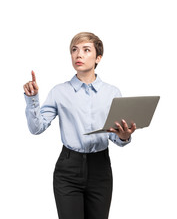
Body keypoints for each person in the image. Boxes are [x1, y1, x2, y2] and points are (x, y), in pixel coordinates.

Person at [23, 32, 136, 219]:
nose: (78, 55)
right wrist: (32, 99)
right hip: (68, 169)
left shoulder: (112, 92)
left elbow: (116, 136)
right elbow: (36, 128)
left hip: (101, 169)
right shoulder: (59, 92)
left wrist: (124, 136)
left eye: (86, 50)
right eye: (74, 50)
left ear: (98, 57)